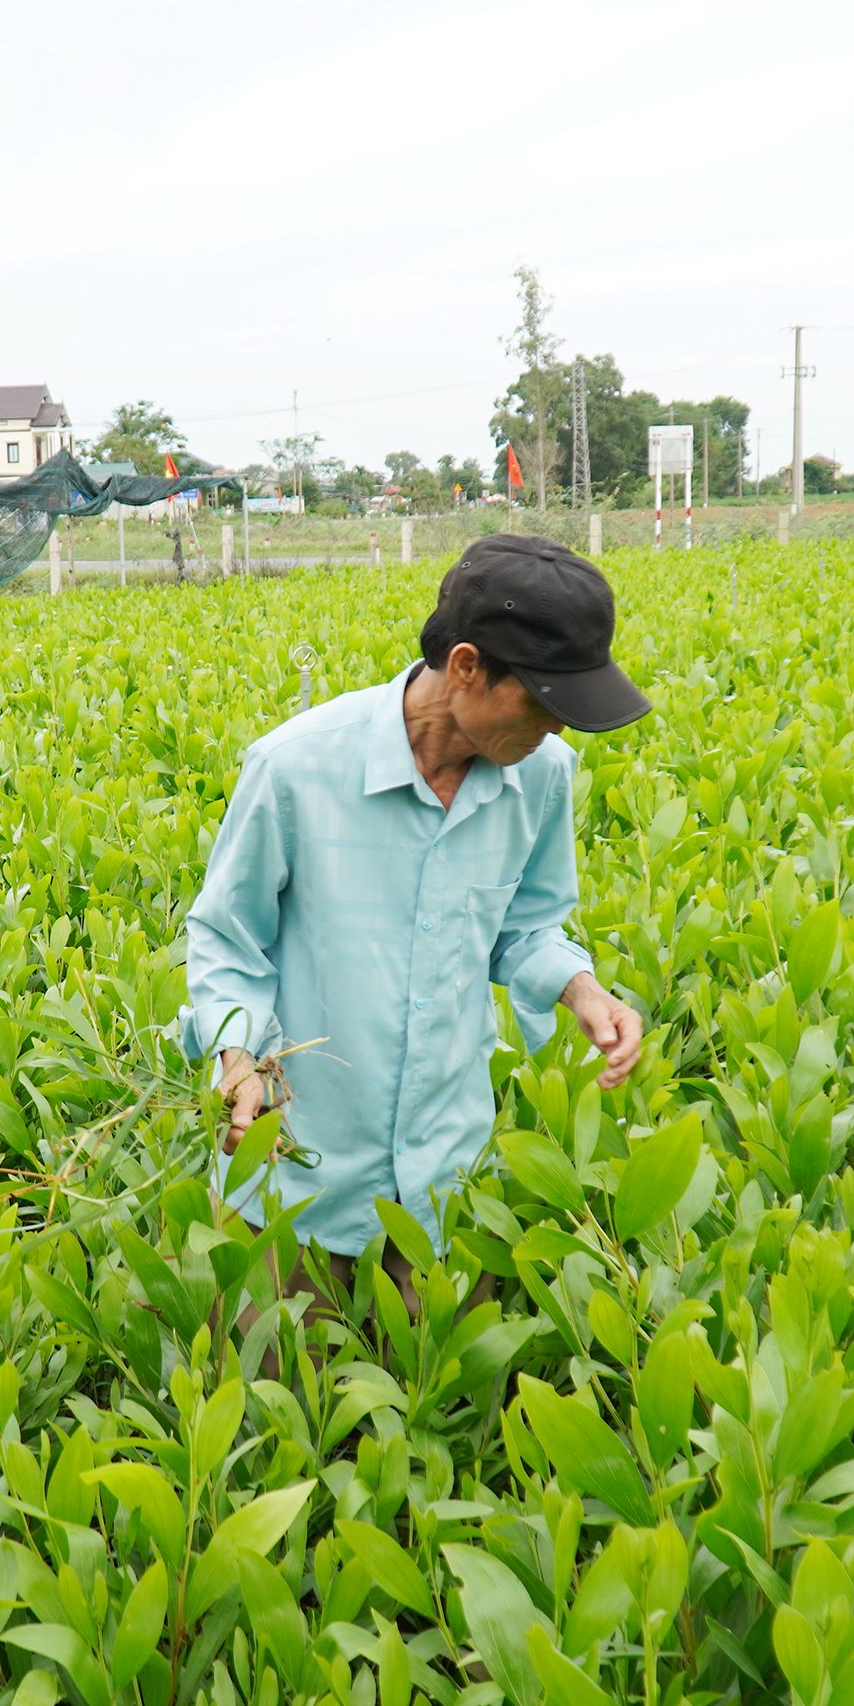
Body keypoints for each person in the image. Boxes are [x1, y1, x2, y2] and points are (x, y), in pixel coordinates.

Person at [182, 533, 650, 1294]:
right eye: (543, 702)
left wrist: (581, 989)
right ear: (466, 666)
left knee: (430, 1390)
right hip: (297, 1176)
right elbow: (226, 941)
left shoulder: (541, 775)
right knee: (285, 1396)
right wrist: (239, 1059)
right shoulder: (296, 767)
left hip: (443, 1182)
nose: (558, 729)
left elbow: (525, 926)